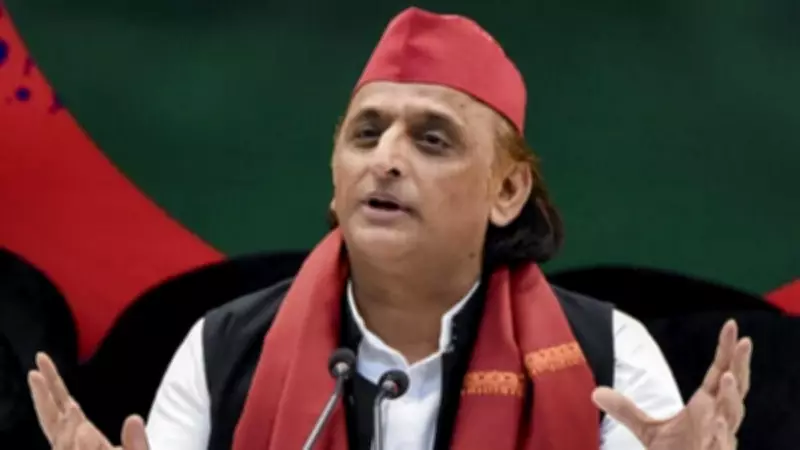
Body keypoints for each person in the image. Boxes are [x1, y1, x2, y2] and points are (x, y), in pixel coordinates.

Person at [27, 7, 752, 450]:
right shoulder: (221, 351)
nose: (386, 160)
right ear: (335, 173)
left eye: (432, 139)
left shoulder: (610, 359)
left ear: (507, 191)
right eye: (366, 134)